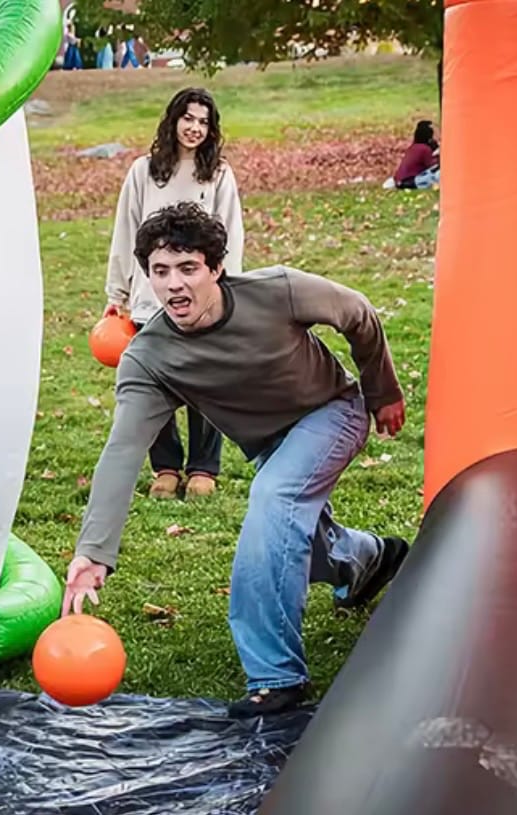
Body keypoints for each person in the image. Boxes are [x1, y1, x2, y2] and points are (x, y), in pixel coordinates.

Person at [65, 202, 410, 717]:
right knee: (293, 532)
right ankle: (370, 559)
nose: (174, 284)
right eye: (160, 271)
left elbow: (357, 312)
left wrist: (382, 391)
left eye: (188, 268)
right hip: (271, 445)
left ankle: (276, 676)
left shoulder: (277, 290)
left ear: (216, 268)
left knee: (275, 500)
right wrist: (94, 551)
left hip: (332, 412)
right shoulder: (149, 358)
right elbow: (122, 452)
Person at [103, 87, 245, 500]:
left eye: (203, 122)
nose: (194, 128)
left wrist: (228, 287)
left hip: (204, 296)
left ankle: (203, 467)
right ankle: (165, 466)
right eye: (188, 118)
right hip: (151, 297)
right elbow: (125, 230)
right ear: (173, 120)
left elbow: (231, 232)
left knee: (206, 379)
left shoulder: (218, 174)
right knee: (155, 381)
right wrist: (117, 293)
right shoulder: (144, 171)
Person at [392, 120, 440, 190]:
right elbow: (432, 166)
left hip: (399, 181)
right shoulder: (425, 149)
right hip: (410, 181)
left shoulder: (413, 147)